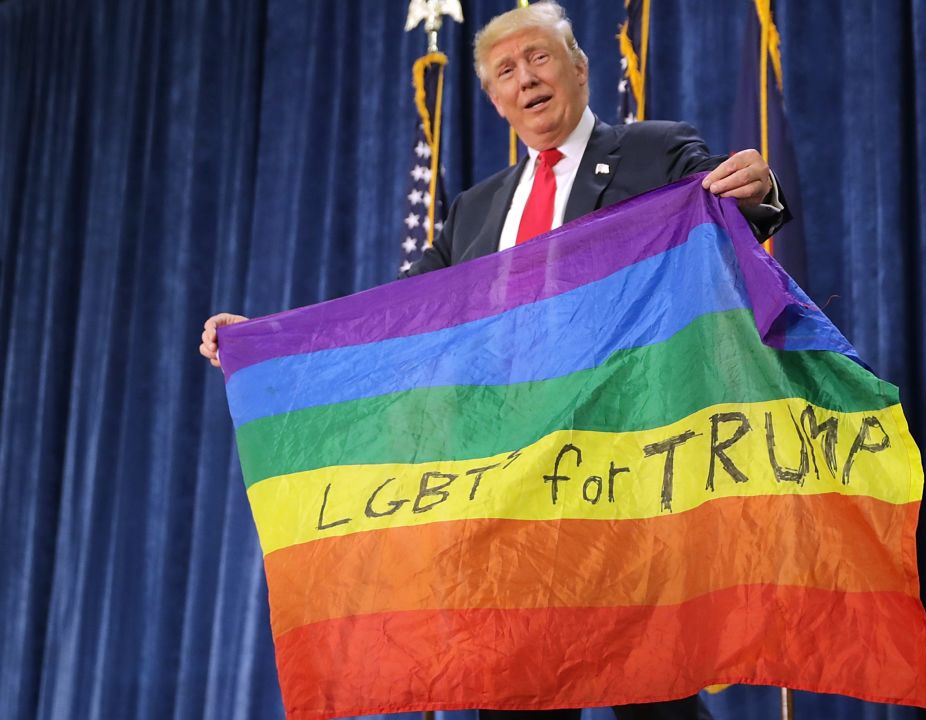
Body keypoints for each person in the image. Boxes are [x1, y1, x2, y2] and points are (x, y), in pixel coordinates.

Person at [199, 3, 787, 718]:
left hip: (619, 462)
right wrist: (269, 340)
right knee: (516, 690)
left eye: (539, 57)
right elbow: (401, 315)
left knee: (650, 683)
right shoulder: (474, 211)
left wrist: (760, 193)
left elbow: (723, 210)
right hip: (511, 481)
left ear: (578, 67)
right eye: (505, 70)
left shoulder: (653, 152)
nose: (526, 79)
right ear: (493, 97)